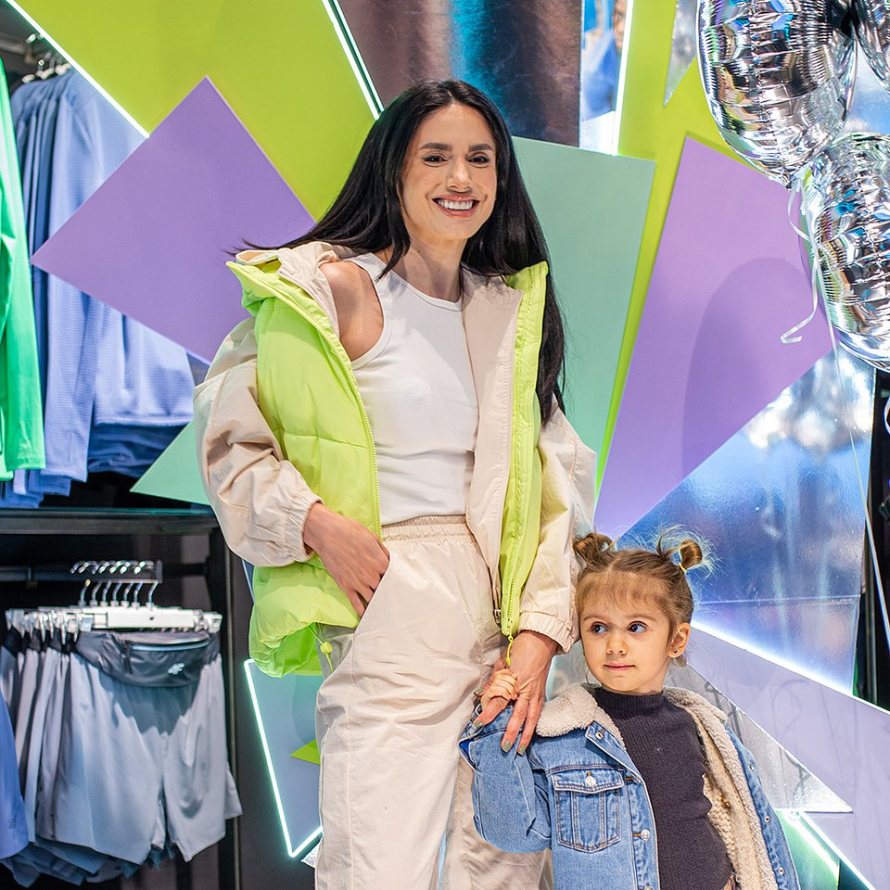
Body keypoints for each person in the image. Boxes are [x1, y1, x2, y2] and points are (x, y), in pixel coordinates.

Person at [193, 79, 596, 889]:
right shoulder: (330, 291)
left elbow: (558, 490)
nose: (461, 177)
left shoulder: (507, 311)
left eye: (480, 158)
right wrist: (315, 524)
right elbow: (231, 441)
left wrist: (539, 637)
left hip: (499, 613)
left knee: (505, 866)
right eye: (435, 156)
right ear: (394, 170)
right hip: (390, 600)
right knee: (375, 867)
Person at [462, 532, 800, 890]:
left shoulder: (700, 726)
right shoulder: (562, 736)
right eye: (598, 628)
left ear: (676, 640)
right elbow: (515, 832)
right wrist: (496, 723)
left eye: (635, 627)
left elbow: (746, 826)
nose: (615, 645)